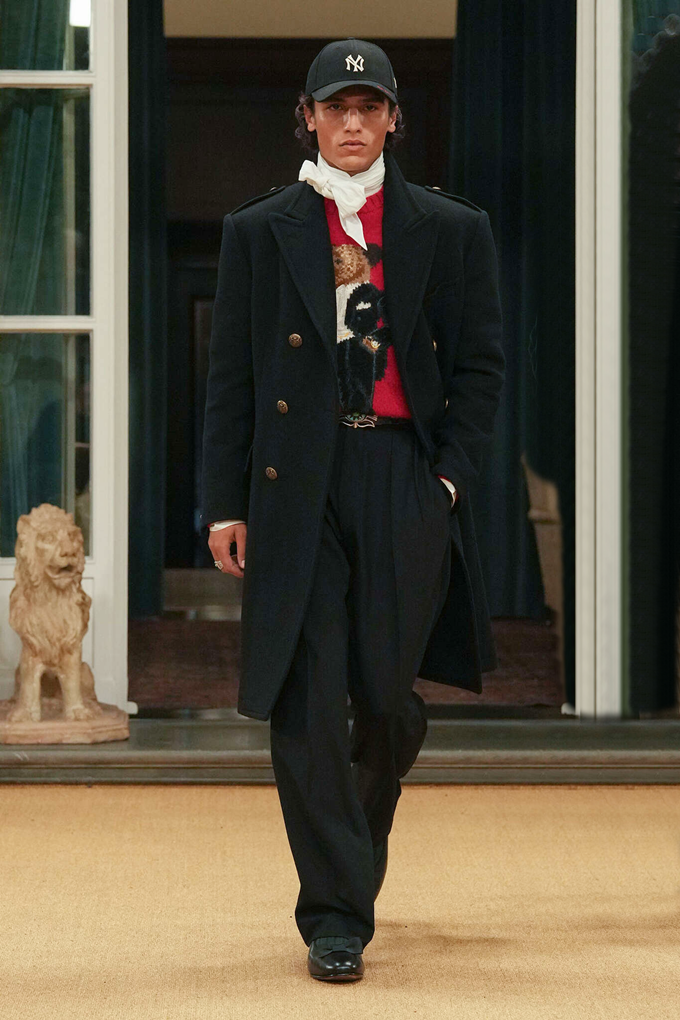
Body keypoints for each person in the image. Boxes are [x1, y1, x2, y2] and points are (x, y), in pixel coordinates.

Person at [200, 38, 505, 982]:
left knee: (386, 703)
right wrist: (223, 504)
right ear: (308, 117)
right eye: (336, 107)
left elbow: (481, 368)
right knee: (307, 691)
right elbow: (231, 379)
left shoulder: (451, 228)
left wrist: (446, 482)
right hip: (296, 483)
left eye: (369, 108)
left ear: (394, 120)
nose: (353, 123)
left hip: (401, 476)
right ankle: (335, 913)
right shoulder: (260, 229)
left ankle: (349, 864)